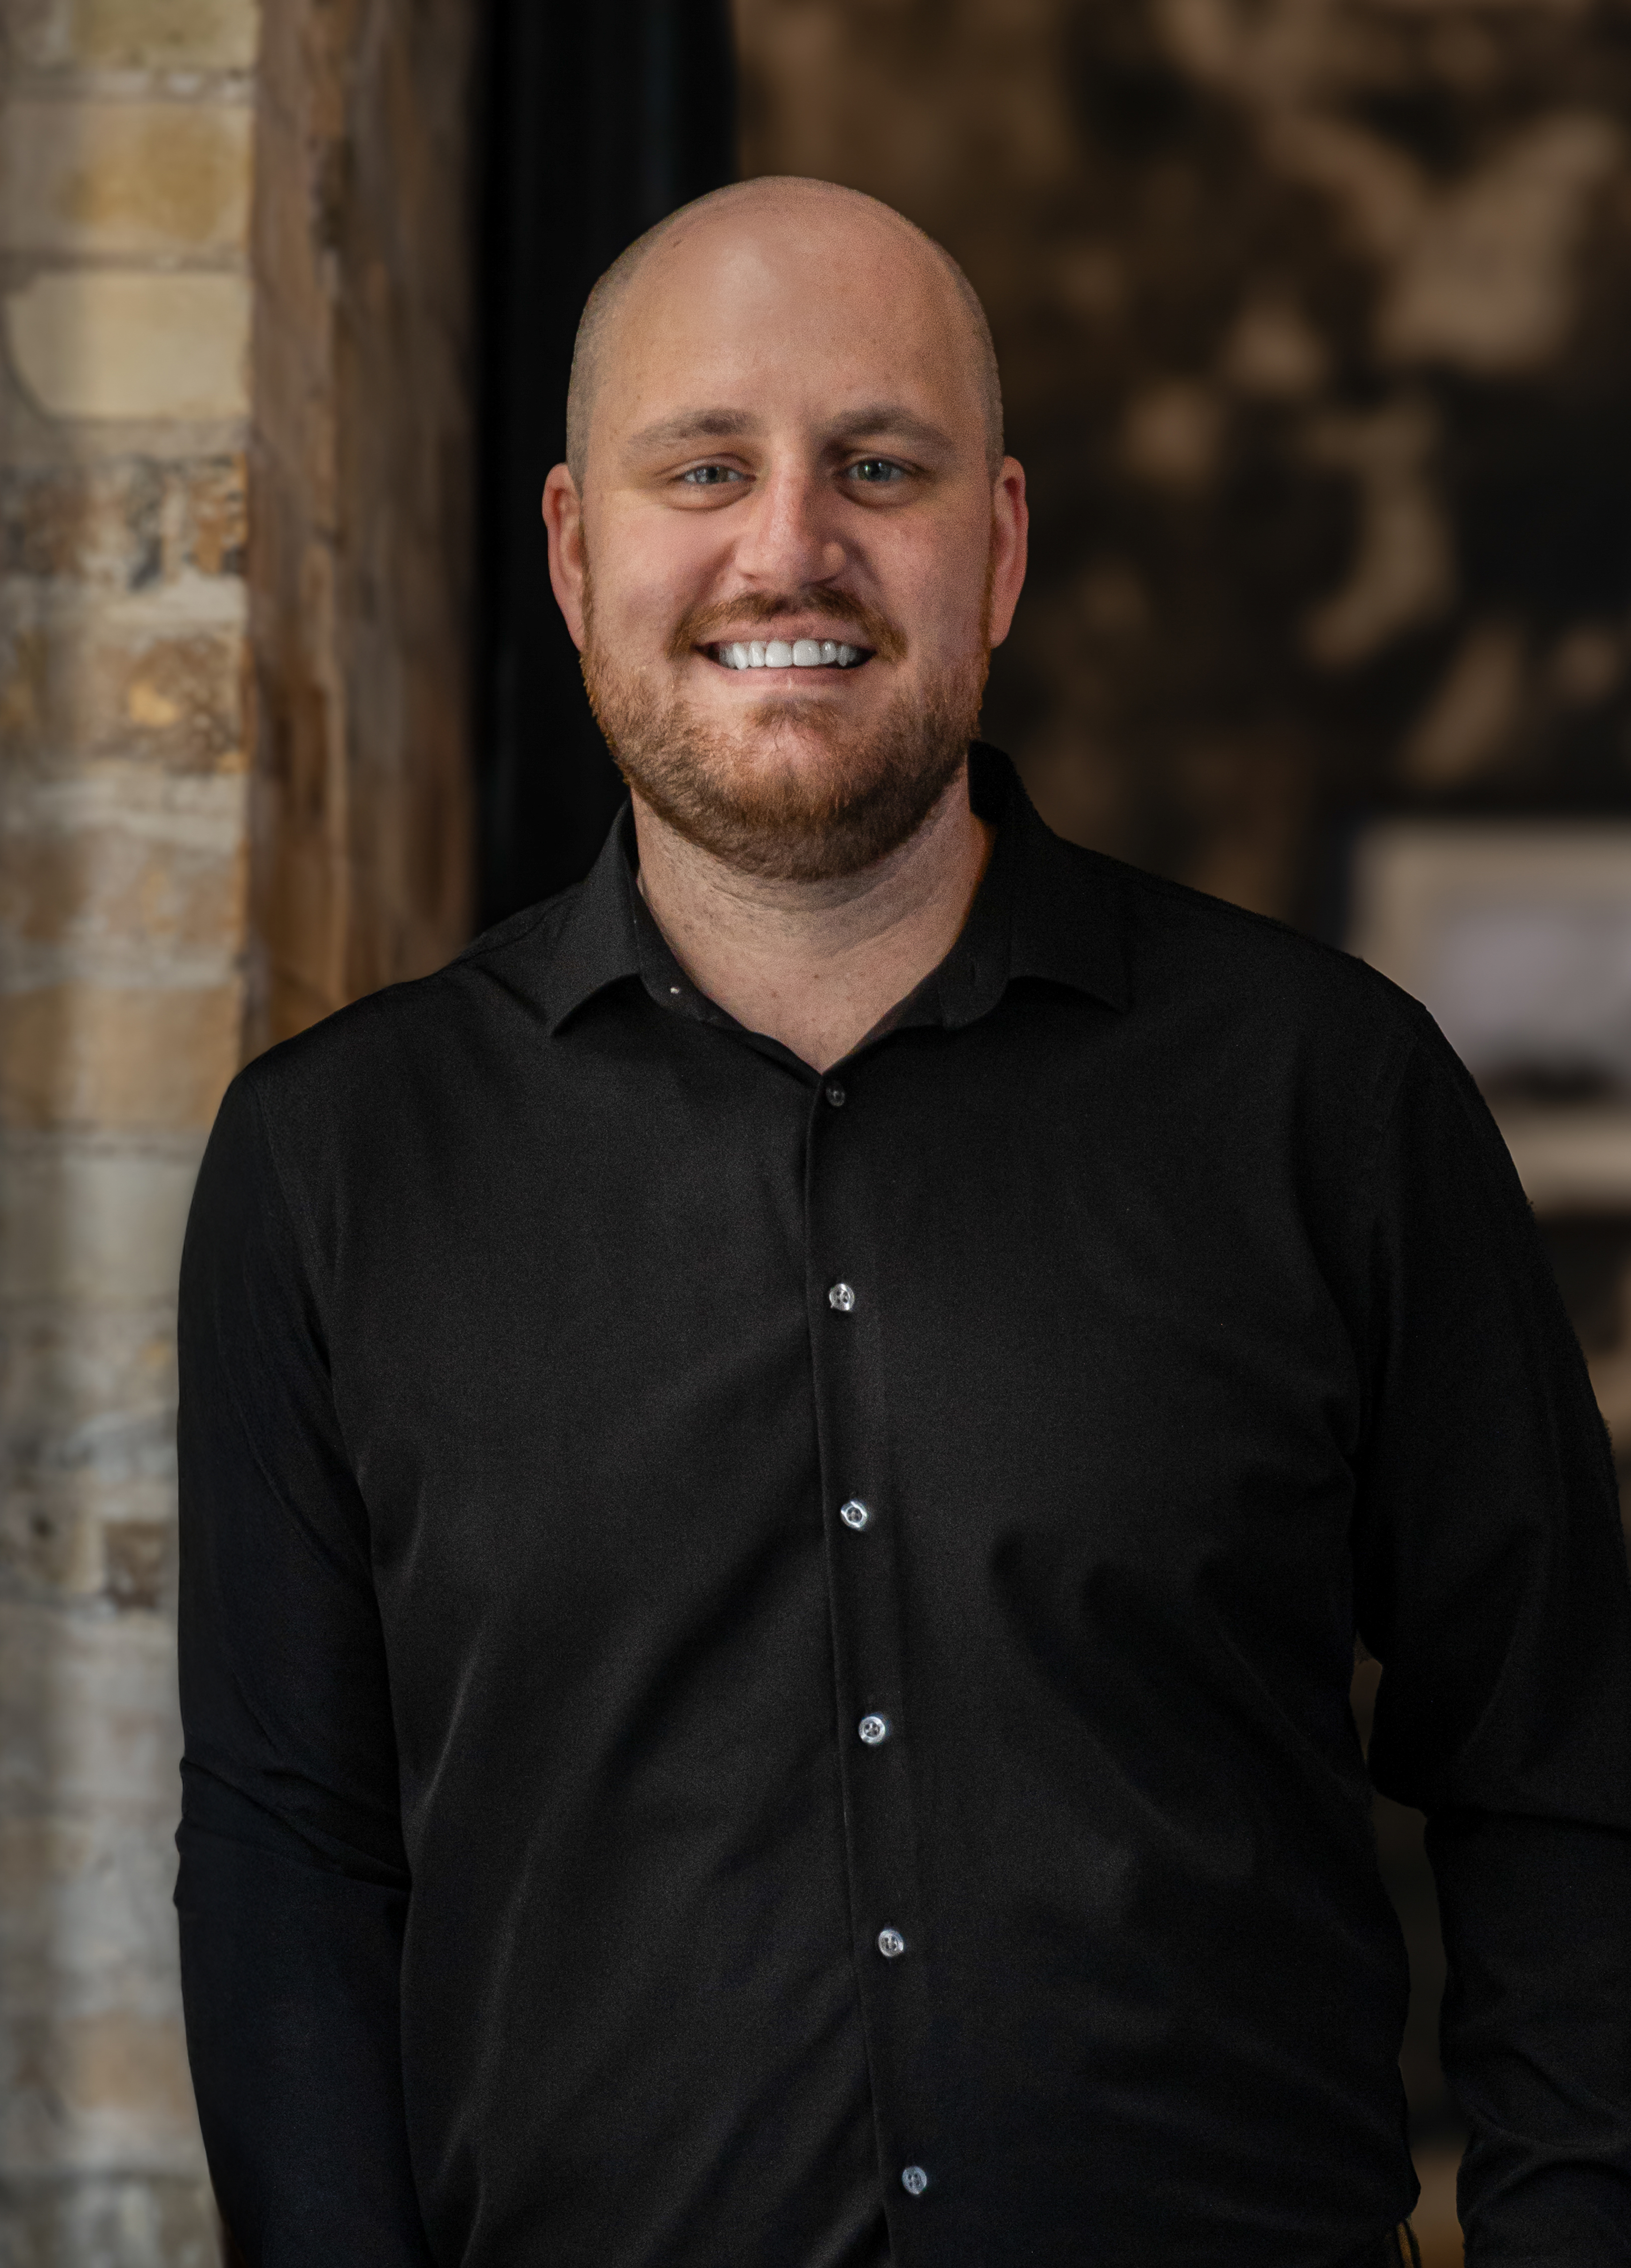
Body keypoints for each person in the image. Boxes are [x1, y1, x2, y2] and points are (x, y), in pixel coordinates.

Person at [175, 177, 1631, 2268]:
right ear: (578, 553)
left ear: (1001, 547)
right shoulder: (330, 1168)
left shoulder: (1326, 1095)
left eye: (878, 466)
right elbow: (290, 1860)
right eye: (708, 468)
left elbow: (1563, 1767)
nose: (789, 546)